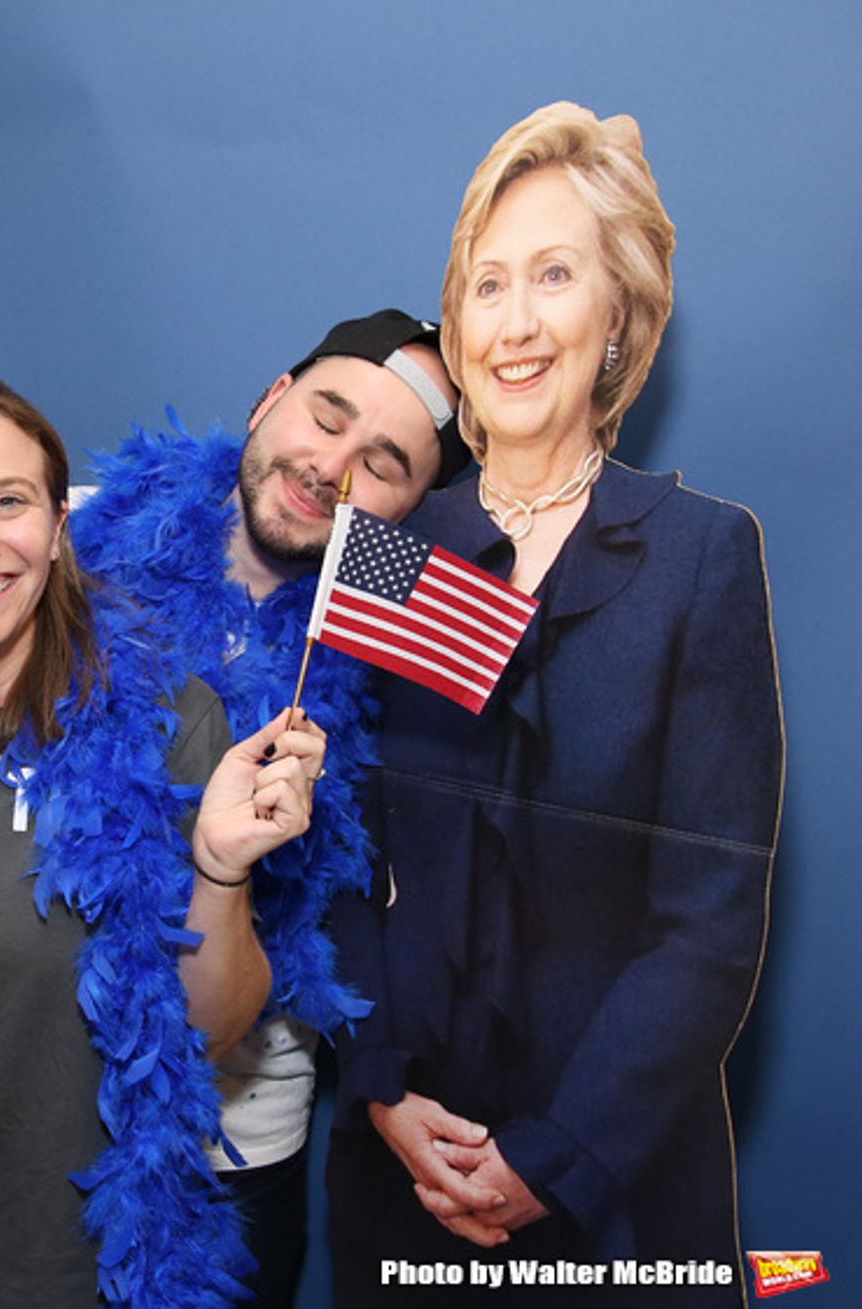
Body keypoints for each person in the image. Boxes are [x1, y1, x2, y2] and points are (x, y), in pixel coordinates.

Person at [0, 310, 467, 1307]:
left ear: (408, 508)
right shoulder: (53, 522)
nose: (332, 467)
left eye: (383, 462)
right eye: (326, 416)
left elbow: (389, 910)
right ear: (271, 398)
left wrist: (386, 1072)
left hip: (222, 1122)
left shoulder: (396, 633)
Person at [327, 103, 784, 1307]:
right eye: (485, 284)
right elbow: (327, 852)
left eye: (552, 275)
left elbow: (708, 918)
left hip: (615, 1193)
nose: (515, 321)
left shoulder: (700, 557)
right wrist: (375, 1085)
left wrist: (552, 1156)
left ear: (616, 315)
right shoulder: (389, 549)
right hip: (402, 1185)